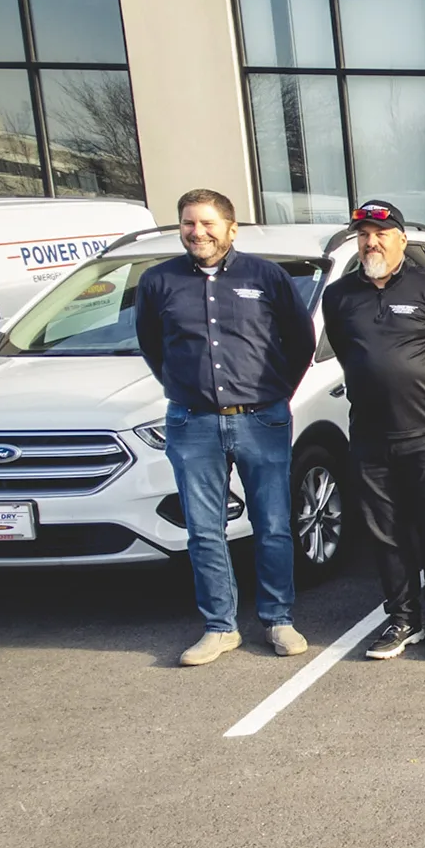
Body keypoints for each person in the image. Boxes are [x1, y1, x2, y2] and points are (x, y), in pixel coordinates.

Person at [135, 188, 314, 666]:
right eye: (189, 223)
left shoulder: (266, 277)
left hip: (261, 419)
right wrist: (185, 387)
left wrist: (276, 393)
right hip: (192, 422)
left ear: (231, 229)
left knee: (272, 525)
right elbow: (152, 344)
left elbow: (301, 341)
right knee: (204, 531)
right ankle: (220, 627)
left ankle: (278, 619)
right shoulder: (158, 281)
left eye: (208, 223)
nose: (198, 232)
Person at [320, 201, 425, 660]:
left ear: (401, 239)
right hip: (370, 437)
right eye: (364, 236)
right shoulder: (339, 297)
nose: (371, 243)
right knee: (386, 533)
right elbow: (348, 352)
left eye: (381, 234)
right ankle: (403, 619)